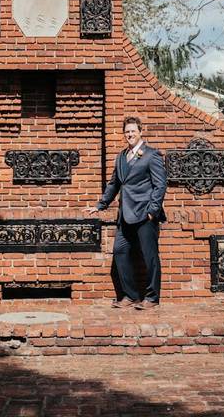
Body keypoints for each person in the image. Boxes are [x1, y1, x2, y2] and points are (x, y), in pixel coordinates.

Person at [85, 116, 167, 310]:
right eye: (127, 132)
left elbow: (160, 184)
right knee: (120, 252)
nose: (130, 134)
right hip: (125, 214)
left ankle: (152, 298)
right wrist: (100, 205)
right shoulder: (121, 156)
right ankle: (130, 295)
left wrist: (152, 211)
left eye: (133, 131)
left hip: (145, 214)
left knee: (149, 257)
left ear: (140, 132)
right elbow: (114, 183)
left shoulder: (151, 155)